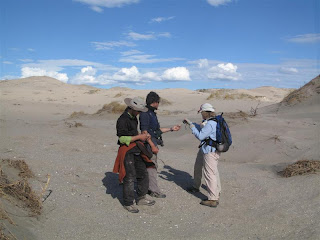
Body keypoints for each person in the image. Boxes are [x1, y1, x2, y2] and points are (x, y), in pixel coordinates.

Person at [113, 97, 157, 213]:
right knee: (129, 177)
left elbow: (133, 133)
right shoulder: (122, 120)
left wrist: (142, 135)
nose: (139, 113)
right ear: (131, 108)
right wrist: (139, 137)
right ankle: (128, 203)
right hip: (127, 150)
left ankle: (141, 198)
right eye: (138, 111)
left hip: (136, 148)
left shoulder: (134, 118)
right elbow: (122, 138)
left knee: (143, 173)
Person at [139, 91, 181, 198]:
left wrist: (172, 129)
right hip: (149, 144)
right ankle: (154, 190)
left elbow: (156, 131)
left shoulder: (151, 113)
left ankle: (147, 187)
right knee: (152, 166)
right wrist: (152, 145)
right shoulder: (145, 113)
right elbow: (144, 132)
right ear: (154, 102)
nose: (158, 104)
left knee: (149, 166)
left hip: (152, 142)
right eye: (158, 102)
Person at [184, 103, 221, 208]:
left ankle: (213, 198)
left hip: (210, 151)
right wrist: (192, 123)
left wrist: (192, 127)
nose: (201, 114)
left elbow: (200, 136)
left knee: (210, 174)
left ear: (206, 112)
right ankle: (197, 186)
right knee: (199, 167)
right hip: (206, 149)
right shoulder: (211, 121)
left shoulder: (210, 124)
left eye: (202, 112)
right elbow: (204, 131)